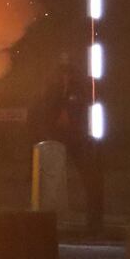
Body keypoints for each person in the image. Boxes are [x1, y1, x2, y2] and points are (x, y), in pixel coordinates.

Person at [40, 53, 104, 233]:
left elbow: (85, 109)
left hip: (78, 138)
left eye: (68, 71)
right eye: (62, 71)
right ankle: (48, 223)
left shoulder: (81, 89)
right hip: (56, 138)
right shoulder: (51, 89)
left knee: (91, 178)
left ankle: (95, 223)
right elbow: (43, 111)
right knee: (49, 180)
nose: (65, 75)